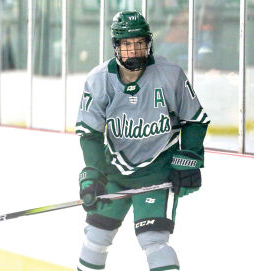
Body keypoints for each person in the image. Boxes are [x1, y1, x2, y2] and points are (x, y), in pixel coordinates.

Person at [75, 10, 210, 271]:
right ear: (116, 47)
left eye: (140, 44)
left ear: (149, 44)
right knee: (96, 237)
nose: (134, 51)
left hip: (156, 172)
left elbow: (194, 120)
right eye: (127, 45)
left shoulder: (169, 74)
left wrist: (189, 161)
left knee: (153, 240)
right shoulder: (98, 80)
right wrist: (94, 173)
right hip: (115, 171)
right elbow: (90, 134)